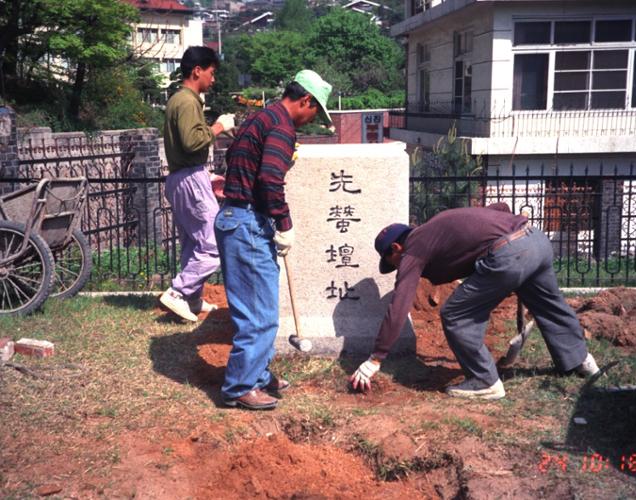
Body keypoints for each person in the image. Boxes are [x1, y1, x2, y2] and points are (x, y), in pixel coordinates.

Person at [350, 203, 600, 399]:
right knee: (549, 305)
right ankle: (580, 361)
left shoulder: (414, 246)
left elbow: (400, 303)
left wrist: (375, 358)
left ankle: (484, 382)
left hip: (510, 254)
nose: (397, 268)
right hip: (535, 240)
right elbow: (500, 208)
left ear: (396, 248)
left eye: (392, 263)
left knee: (456, 314)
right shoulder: (435, 230)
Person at [215, 70, 332, 410]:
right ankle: (240, 387)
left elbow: (237, 160)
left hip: (236, 218)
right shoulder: (282, 126)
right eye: (315, 113)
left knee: (257, 306)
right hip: (248, 223)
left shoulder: (261, 118)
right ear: (305, 100)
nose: (312, 121)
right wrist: (285, 222)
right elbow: (268, 177)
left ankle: (258, 373)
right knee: (259, 315)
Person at [159, 46, 236, 322]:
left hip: (184, 176)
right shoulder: (188, 101)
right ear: (197, 71)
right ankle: (178, 293)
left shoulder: (179, 100)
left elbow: (185, 146)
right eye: (212, 73)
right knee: (213, 243)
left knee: (194, 243)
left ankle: (192, 299)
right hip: (189, 176)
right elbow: (192, 142)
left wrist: (205, 176)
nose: (213, 80)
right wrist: (218, 126)